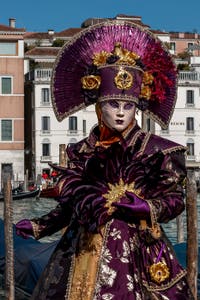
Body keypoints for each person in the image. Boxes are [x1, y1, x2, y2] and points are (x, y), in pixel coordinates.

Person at [16, 21, 194, 299]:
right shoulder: (83, 152)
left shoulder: (156, 151)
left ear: (137, 106)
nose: (121, 113)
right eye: (113, 104)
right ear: (99, 106)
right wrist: (40, 225)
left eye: (128, 106)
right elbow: (73, 204)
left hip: (139, 253)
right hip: (82, 247)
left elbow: (175, 199)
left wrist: (146, 207)